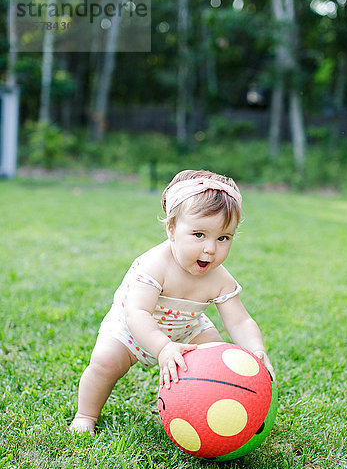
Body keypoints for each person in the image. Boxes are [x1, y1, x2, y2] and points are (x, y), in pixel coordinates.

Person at [70, 169, 275, 435]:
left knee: (217, 361)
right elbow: (137, 313)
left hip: (188, 327)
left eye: (223, 238)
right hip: (132, 329)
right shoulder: (155, 266)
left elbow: (240, 319)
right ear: (171, 229)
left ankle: (206, 415)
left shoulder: (219, 278)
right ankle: (86, 414)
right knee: (105, 362)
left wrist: (256, 349)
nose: (210, 249)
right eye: (199, 235)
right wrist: (163, 347)